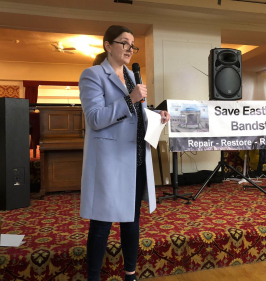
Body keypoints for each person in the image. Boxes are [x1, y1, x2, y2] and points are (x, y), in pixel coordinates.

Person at [79, 25, 170, 281]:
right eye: (124, 43)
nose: (130, 48)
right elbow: (95, 119)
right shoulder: (93, 75)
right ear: (108, 45)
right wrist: (131, 98)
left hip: (135, 158)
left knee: (131, 221)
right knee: (102, 223)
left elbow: (136, 116)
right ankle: (93, 277)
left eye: (133, 44)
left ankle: (130, 274)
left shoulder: (132, 76)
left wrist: (155, 115)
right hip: (109, 161)